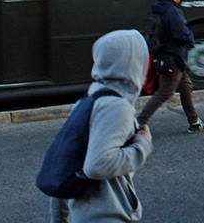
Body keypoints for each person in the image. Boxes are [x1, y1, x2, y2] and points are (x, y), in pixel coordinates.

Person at [51, 30, 154, 223]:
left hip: (84, 214)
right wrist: (143, 145)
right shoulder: (117, 107)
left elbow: (63, 165)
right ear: (132, 62)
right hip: (107, 216)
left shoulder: (88, 101)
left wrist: (60, 219)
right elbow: (97, 166)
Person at [136, 0, 204, 133]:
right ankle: (137, 124)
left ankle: (194, 123)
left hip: (165, 56)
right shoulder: (172, 11)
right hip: (172, 58)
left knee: (186, 87)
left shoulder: (158, 8)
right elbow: (181, 33)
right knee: (164, 93)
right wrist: (190, 37)